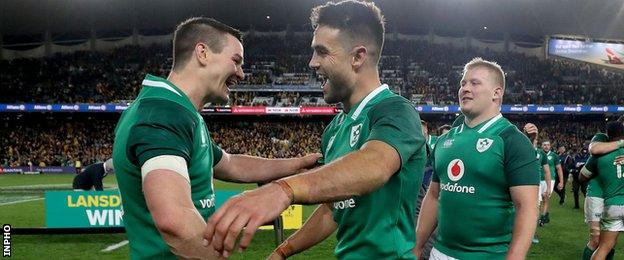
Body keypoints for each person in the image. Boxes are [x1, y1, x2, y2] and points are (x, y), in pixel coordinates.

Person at [203, 1, 426, 259]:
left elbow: (375, 165)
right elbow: (333, 209)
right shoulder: (334, 130)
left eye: (322, 52)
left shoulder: (396, 111)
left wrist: (283, 189)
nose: (312, 63)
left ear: (358, 57)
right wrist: (282, 251)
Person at [112, 17, 321, 259]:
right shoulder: (163, 114)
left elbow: (231, 164)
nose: (241, 74)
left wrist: (296, 164)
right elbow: (174, 220)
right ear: (203, 53)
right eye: (236, 61)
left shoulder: (176, 111)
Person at [415, 58, 539, 259]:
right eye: (463, 83)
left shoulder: (512, 141)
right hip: (439, 253)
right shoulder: (445, 140)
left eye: (475, 83)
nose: (465, 88)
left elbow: (527, 207)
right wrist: (417, 246)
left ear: (496, 93)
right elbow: (434, 196)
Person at [580, 121, 624, 260]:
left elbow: (582, 176)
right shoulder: (600, 143)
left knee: (606, 245)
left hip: (612, 203)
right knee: (596, 240)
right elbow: (594, 149)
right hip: (597, 196)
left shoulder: (602, 156)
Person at [539, 140, 564, 225]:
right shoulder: (539, 154)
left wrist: (561, 182)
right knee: (538, 200)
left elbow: (559, 169)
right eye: (544, 145)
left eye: (548, 145)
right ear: (541, 146)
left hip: (550, 180)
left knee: (545, 197)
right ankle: (545, 215)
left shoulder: (554, 156)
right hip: (538, 179)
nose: (546, 146)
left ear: (550, 146)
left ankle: (542, 218)